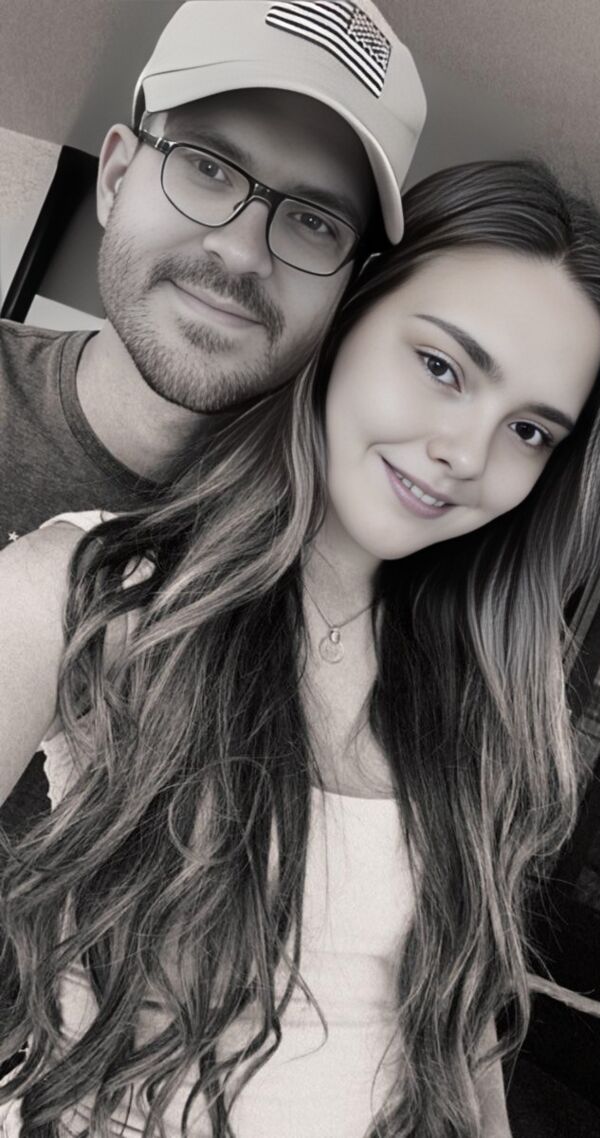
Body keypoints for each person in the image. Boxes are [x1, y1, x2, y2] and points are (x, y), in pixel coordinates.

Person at [0, 158, 600, 1138]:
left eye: (528, 429)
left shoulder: (490, 687)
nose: (466, 454)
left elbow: (454, 1015)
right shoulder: (91, 590)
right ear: (349, 317)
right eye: (442, 366)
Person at [0, 0, 426, 839]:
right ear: (116, 176)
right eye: (208, 168)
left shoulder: (336, 578)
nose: (241, 251)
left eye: (314, 221)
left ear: (351, 282)